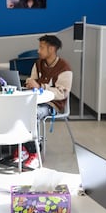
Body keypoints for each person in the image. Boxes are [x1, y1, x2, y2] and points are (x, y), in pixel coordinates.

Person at [20, 34, 72, 168]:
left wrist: (41, 86)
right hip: (34, 100)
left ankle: (34, 153)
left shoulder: (64, 67)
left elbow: (62, 93)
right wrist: (29, 83)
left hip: (52, 104)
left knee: (32, 114)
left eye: (41, 47)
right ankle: (22, 148)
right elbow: (32, 80)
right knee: (17, 111)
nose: (38, 50)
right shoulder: (38, 64)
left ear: (52, 49)